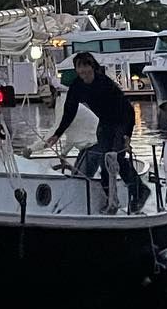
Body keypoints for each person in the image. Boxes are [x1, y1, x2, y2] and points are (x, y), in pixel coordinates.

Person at [44, 51, 149, 212]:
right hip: (105, 123)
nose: (83, 72)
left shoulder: (104, 83)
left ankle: (139, 191)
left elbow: (127, 110)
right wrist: (57, 134)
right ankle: (111, 201)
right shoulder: (77, 86)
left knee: (115, 158)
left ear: (92, 67)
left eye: (86, 67)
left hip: (122, 121)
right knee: (103, 160)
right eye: (79, 68)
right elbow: (69, 112)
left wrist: (127, 135)